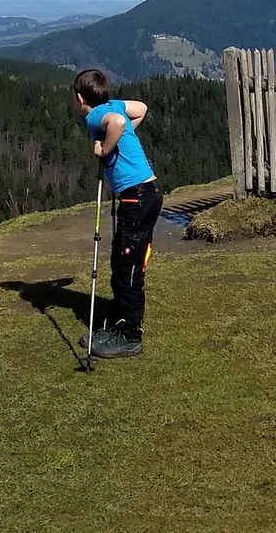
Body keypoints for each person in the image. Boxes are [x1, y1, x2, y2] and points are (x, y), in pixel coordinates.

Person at [73, 68, 161, 359]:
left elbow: (119, 122)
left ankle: (130, 336)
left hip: (136, 196)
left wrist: (105, 149)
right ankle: (119, 324)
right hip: (146, 194)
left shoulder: (95, 116)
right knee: (123, 261)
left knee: (129, 268)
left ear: (80, 98)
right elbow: (140, 109)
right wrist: (120, 136)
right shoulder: (112, 106)